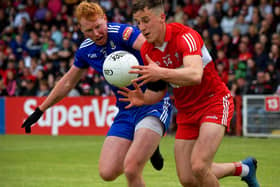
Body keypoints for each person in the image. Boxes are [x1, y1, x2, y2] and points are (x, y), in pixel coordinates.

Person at [21, 2, 173, 187]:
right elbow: (68, 81)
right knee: (107, 172)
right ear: (81, 29)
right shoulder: (86, 50)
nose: (96, 33)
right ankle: (148, 145)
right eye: (89, 30)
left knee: (132, 168)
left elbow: (152, 49)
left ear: (105, 20)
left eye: (98, 27)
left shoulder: (122, 33)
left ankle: (149, 143)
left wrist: (161, 76)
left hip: (153, 102)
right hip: (126, 110)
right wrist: (40, 110)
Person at [118, 1, 260, 187]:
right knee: (187, 178)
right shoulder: (147, 49)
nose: (142, 28)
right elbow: (159, 90)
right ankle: (244, 168)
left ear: (162, 17)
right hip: (186, 112)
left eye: (146, 20)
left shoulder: (185, 36)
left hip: (214, 102)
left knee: (200, 166)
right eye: (138, 22)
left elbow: (195, 75)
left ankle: (243, 169)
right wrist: (144, 99)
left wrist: (160, 72)